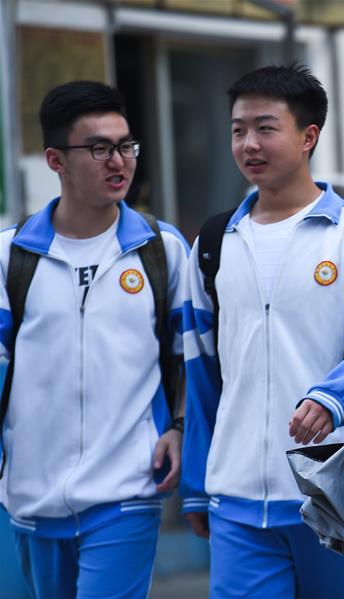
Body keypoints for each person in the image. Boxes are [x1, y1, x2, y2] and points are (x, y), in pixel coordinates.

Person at [180, 65, 344, 598]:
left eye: (265, 128)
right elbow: (202, 372)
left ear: (308, 136)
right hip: (237, 497)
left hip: (338, 492)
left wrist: (334, 398)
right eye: (238, 130)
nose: (248, 144)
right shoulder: (213, 244)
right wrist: (196, 483)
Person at [0, 80, 189, 598]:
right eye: (100, 148)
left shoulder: (161, 250)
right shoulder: (12, 257)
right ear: (55, 160)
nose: (119, 161)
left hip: (127, 490)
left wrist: (178, 426)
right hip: (32, 497)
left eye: (126, 145)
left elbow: (190, 358)